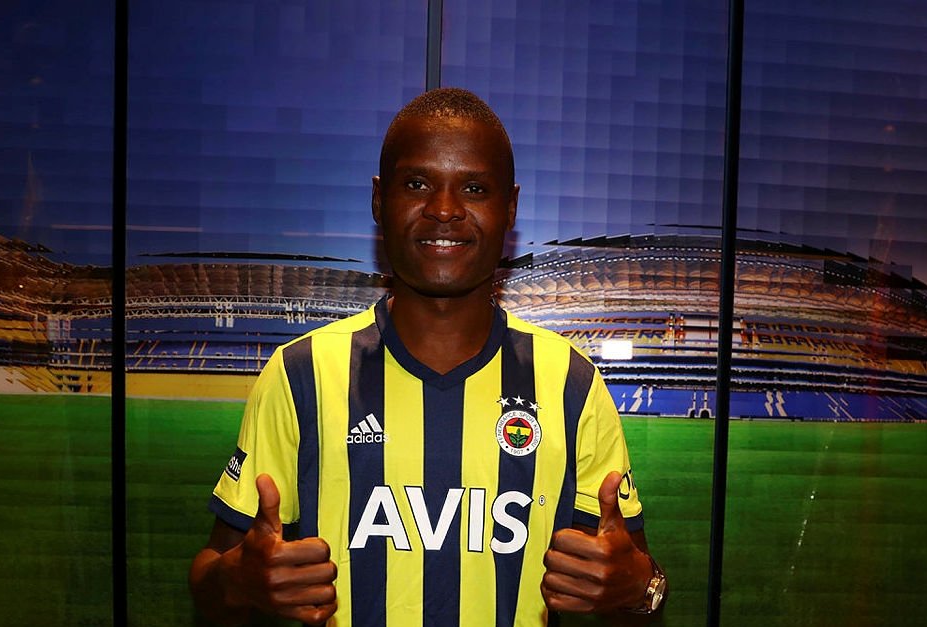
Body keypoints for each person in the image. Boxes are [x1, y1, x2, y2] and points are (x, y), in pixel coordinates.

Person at [189, 88, 666, 626]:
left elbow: (636, 581)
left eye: (474, 188)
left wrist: (639, 588)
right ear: (379, 200)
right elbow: (212, 577)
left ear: (510, 207)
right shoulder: (301, 374)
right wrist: (238, 582)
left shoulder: (569, 382)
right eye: (417, 184)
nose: (444, 209)